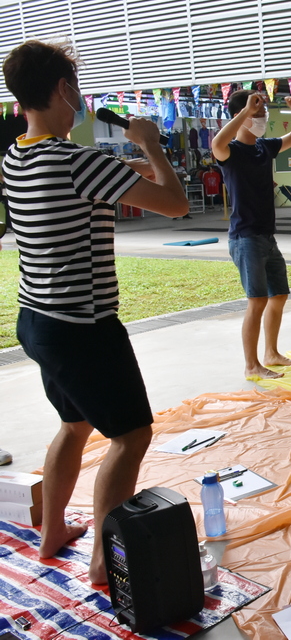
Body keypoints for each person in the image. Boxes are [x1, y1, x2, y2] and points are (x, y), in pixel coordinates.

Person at [2, 39, 188, 584]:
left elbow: (83, 184)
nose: (80, 100)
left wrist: (126, 165)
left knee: (74, 422)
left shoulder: (15, 157)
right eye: (76, 89)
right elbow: (176, 204)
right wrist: (151, 147)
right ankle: (107, 561)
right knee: (131, 435)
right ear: (63, 89)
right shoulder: (79, 161)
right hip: (84, 325)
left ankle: (52, 531)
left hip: (37, 320)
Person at [211, 89, 291, 380]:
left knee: (279, 294)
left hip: (266, 236)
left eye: (263, 112)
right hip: (245, 236)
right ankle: (251, 365)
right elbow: (216, 143)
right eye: (258, 113)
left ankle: (271, 353)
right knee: (257, 300)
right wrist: (245, 112)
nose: (263, 117)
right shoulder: (230, 152)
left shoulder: (264, 147)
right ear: (242, 116)